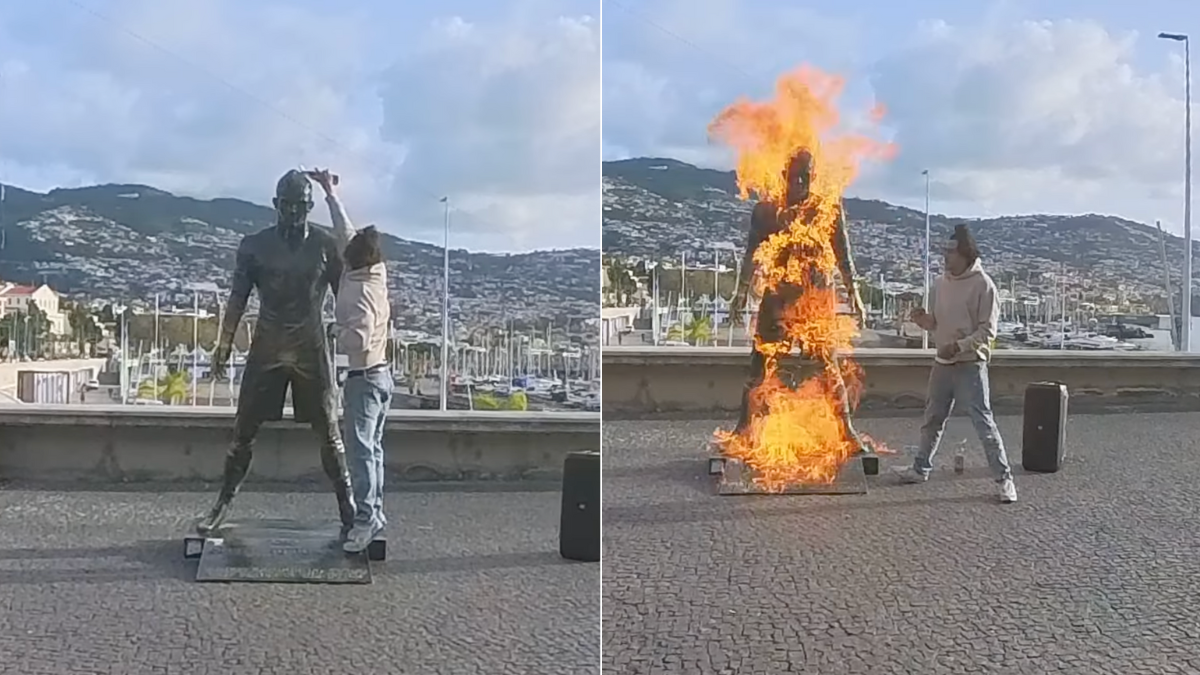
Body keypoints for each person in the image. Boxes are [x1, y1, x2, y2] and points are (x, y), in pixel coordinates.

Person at [198, 169, 354, 534]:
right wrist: (224, 342)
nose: (293, 213)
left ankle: (348, 509)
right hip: (267, 346)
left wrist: (354, 334)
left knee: (329, 432)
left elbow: (344, 299)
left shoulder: (325, 246)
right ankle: (222, 504)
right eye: (286, 206)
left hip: (310, 347)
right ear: (275, 205)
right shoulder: (253, 246)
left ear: (310, 206)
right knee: (243, 431)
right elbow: (238, 298)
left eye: (300, 207)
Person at [728, 149, 868, 450]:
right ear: (783, 178)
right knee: (761, 364)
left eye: (806, 177)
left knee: (829, 366)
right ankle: (744, 430)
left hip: (815, 298)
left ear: (814, 178)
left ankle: (846, 430)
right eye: (795, 177)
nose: (801, 183)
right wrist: (740, 292)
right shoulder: (766, 211)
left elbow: (842, 252)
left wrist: (853, 292)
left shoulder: (826, 208)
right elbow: (751, 255)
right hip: (778, 296)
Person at [900, 223, 1018, 504]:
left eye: (950, 252)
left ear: (966, 254)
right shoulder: (940, 284)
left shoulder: (983, 285)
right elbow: (936, 324)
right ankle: (920, 468)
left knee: (983, 422)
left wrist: (960, 346)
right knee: (932, 419)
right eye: (944, 252)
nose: (945, 257)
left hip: (970, 366)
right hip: (942, 363)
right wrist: (922, 321)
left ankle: (1004, 480)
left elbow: (987, 332)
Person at [310, 169, 394, 553]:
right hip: (382, 376)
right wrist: (330, 193)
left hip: (363, 376)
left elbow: (357, 340)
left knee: (361, 455)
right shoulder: (375, 271)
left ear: (352, 263)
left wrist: (333, 331)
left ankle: (365, 521)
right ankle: (374, 512)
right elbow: (347, 230)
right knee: (373, 450)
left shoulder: (360, 292)